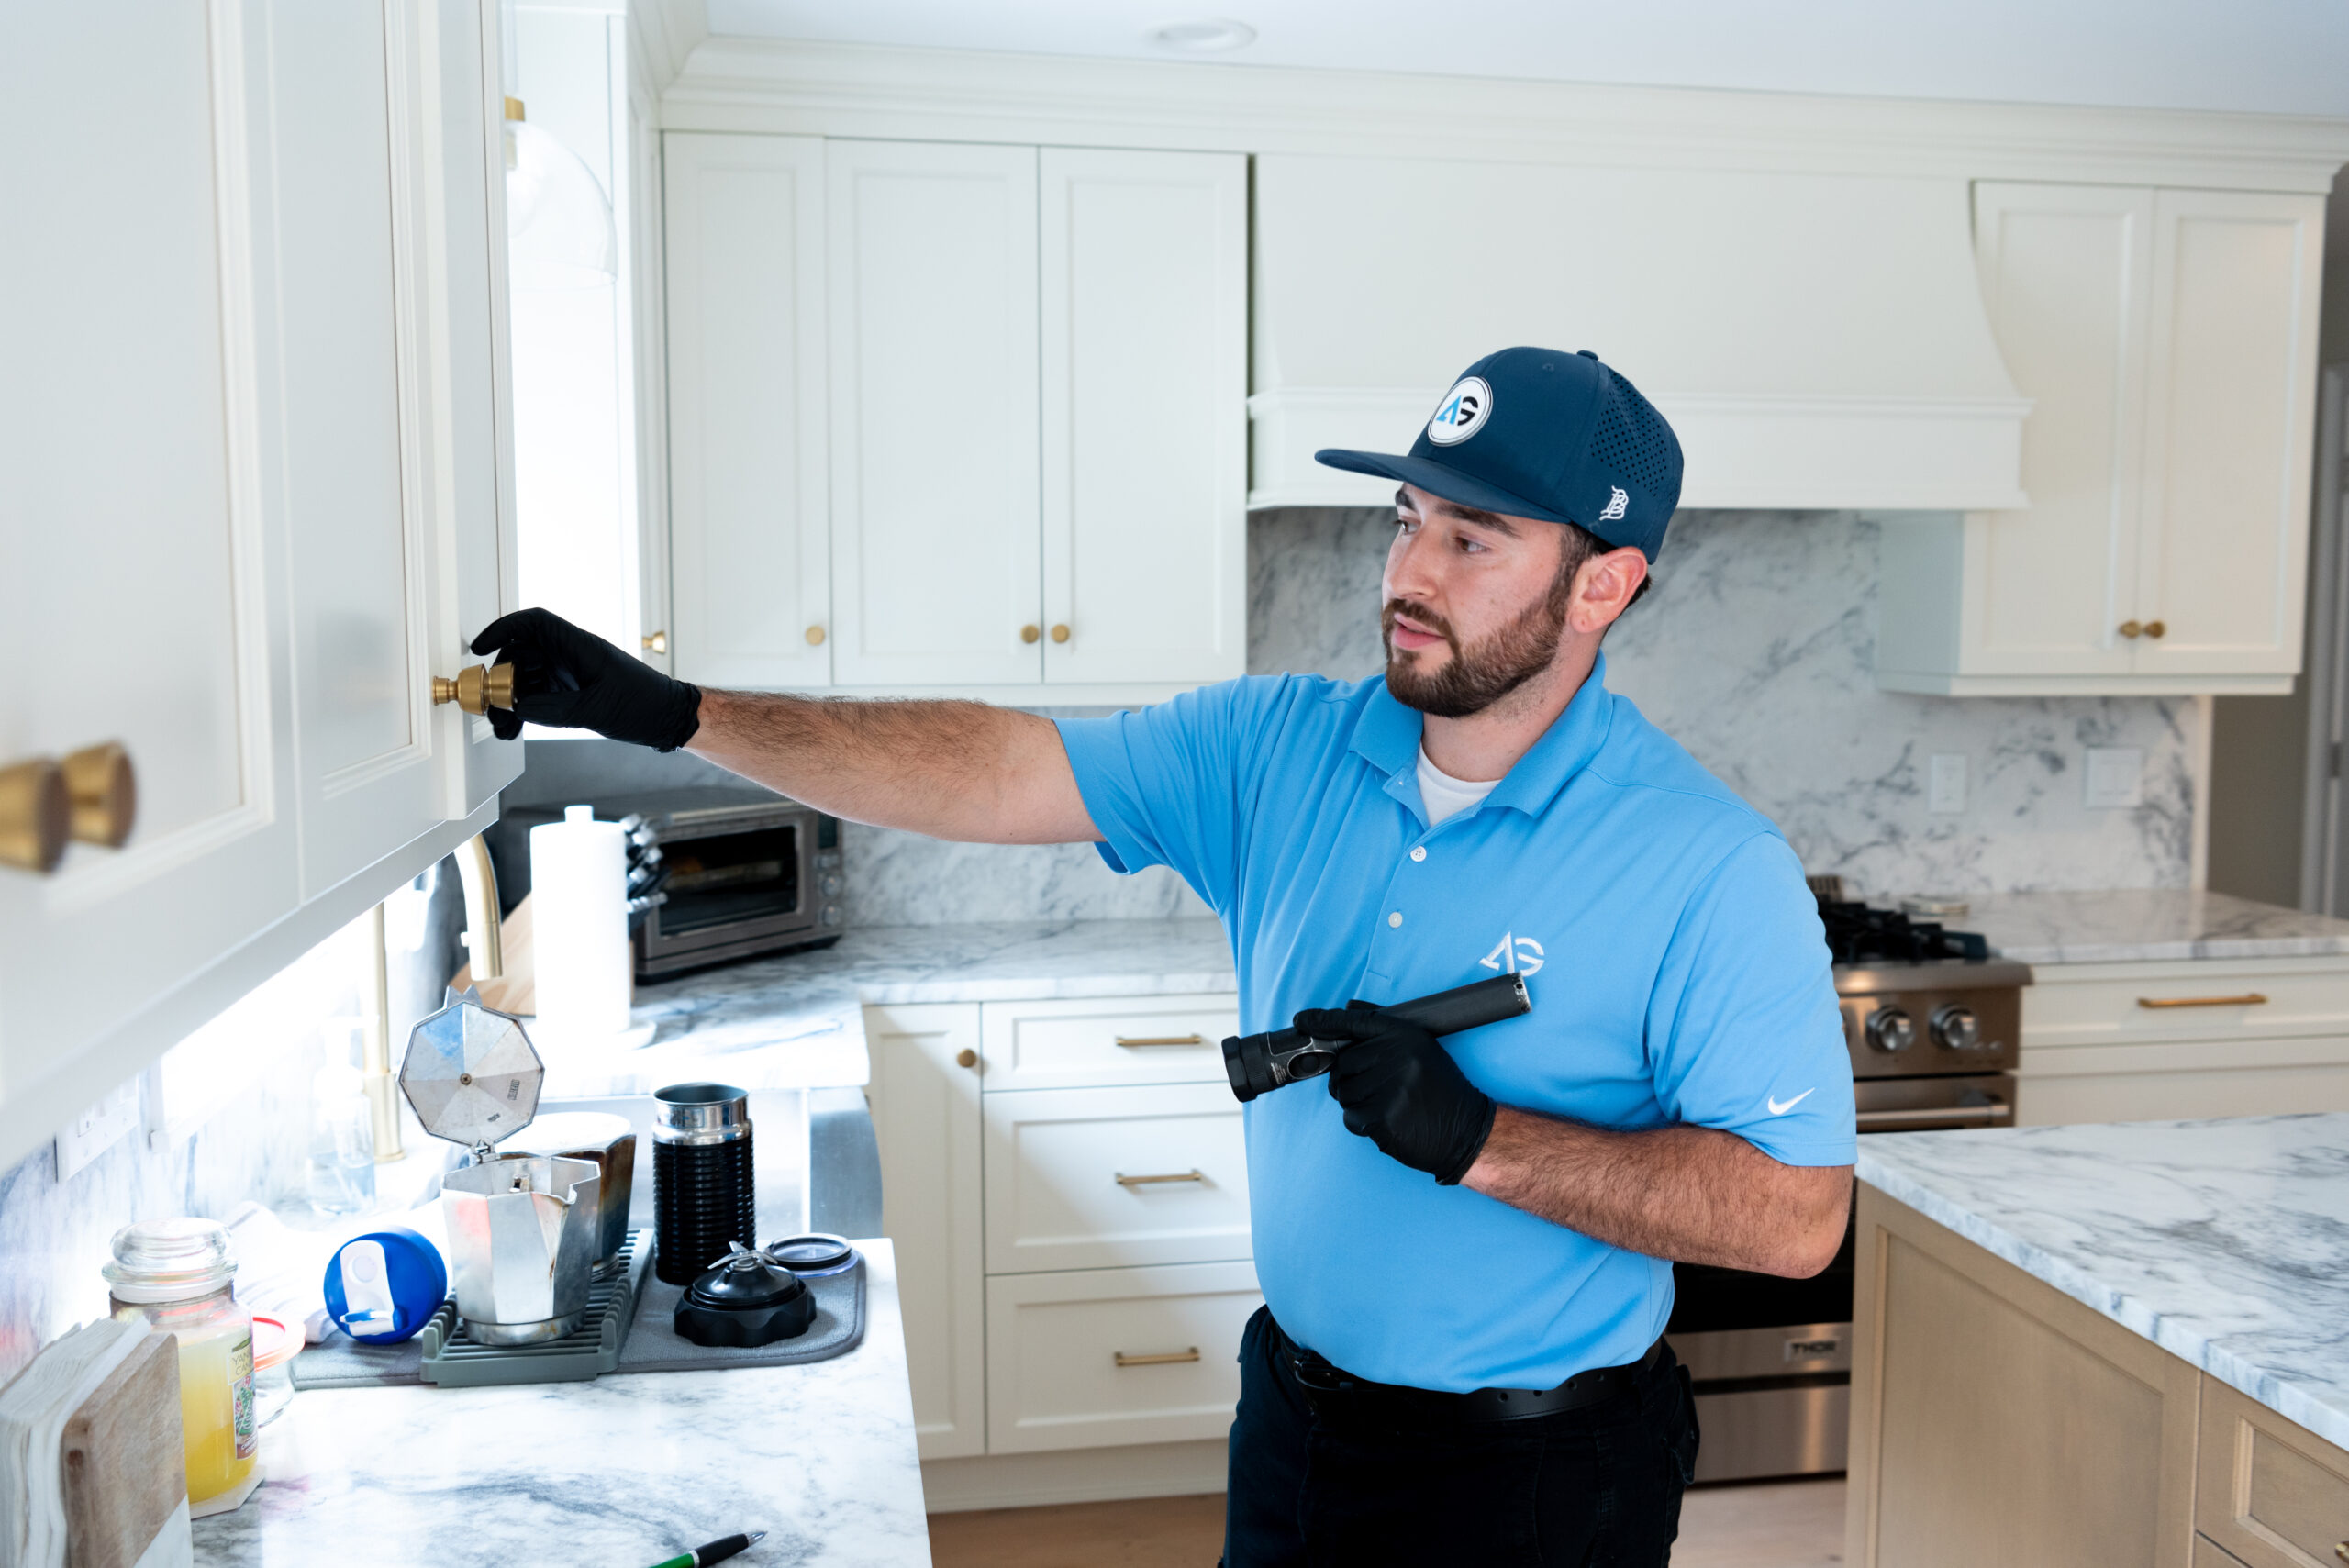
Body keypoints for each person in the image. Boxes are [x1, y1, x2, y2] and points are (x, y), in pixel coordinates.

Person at [473, 345, 1856, 1567]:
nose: (1408, 575)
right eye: (1408, 518)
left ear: (1604, 582)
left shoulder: (1706, 864)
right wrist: (680, 711)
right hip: (1296, 1425)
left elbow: (1797, 1220)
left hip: (1539, 1479)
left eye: (1474, 538)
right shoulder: (1277, 751)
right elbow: (996, 769)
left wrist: (1481, 1136)